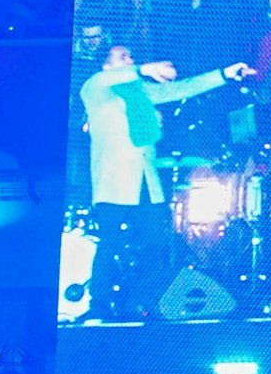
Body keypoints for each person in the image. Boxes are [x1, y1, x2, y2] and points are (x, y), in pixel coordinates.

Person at [79, 44, 253, 318]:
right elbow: (109, 79)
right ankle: (98, 307)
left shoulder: (141, 92)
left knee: (155, 245)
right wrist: (145, 69)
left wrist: (224, 74)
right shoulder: (96, 87)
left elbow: (181, 88)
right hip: (114, 184)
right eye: (122, 57)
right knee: (111, 243)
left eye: (131, 55)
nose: (129, 59)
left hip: (146, 183)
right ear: (107, 65)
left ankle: (139, 304)